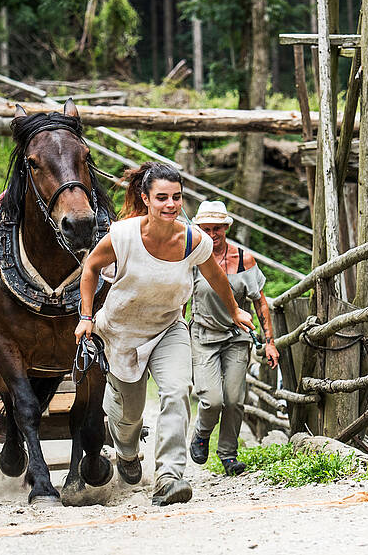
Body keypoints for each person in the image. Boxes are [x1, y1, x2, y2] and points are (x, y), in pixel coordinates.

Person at [75, 162, 254, 506]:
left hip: (169, 328)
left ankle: (170, 476)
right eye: (162, 198)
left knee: (176, 391)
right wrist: (86, 316)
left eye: (176, 197)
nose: (170, 205)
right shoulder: (124, 235)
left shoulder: (192, 240)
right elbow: (91, 267)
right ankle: (127, 453)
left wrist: (234, 310)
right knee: (129, 415)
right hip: (122, 333)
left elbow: (216, 276)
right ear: (146, 198)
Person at [188, 201, 281, 476]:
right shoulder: (192, 259)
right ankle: (202, 434)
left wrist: (270, 342)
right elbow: (180, 298)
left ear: (226, 228)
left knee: (234, 399)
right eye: (206, 229)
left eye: (217, 228)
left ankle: (228, 454)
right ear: (199, 230)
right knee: (212, 399)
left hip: (236, 338)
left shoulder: (244, 259)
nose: (212, 233)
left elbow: (260, 303)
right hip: (203, 335)